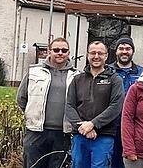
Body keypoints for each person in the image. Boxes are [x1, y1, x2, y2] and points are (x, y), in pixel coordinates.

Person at [17, 37, 78, 168]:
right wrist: (32, 113)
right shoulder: (34, 71)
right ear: (49, 51)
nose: (60, 53)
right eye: (56, 50)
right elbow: (22, 98)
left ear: (68, 52)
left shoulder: (77, 76)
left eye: (64, 50)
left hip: (63, 134)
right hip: (36, 132)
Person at [66, 40, 126, 168]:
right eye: (93, 53)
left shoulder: (115, 80)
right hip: (80, 135)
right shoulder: (77, 79)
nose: (96, 56)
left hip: (104, 136)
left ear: (106, 56)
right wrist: (83, 128)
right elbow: (69, 106)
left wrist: (93, 124)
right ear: (88, 55)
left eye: (100, 53)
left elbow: (116, 106)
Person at [109, 36, 143, 168]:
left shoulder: (141, 73)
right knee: (112, 160)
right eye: (121, 48)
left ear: (132, 51)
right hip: (111, 125)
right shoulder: (108, 71)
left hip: (133, 127)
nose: (124, 52)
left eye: (128, 48)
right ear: (116, 51)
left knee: (129, 161)